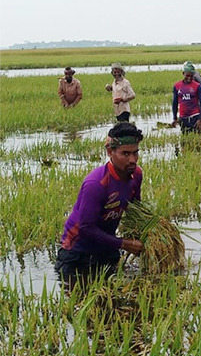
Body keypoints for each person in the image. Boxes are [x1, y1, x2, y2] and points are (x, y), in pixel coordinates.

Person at [55, 122, 145, 284]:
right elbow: (86, 229)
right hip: (77, 253)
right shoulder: (96, 184)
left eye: (135, 153)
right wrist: (124, 243)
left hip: (106, 247)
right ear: (110, 152)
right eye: (125, 154)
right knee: (81, 301)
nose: (132, 160)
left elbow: (135, 209)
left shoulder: (136, 175)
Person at [172, 61, 201, 134]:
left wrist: (200, 119)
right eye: (187, 75)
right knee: (185, 141)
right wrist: (175, 118)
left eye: (191, 76)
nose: (189, 78)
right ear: (183, 73)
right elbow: (175, 103)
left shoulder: (197, 86)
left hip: (195, 117)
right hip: (183, 118)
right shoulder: (177, 86)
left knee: (199, 140)